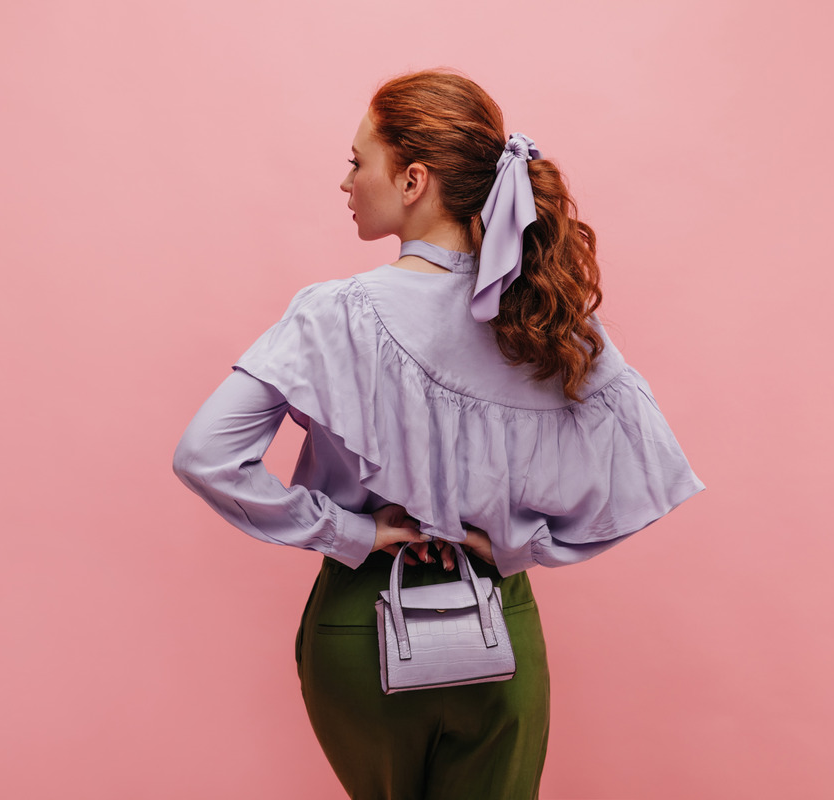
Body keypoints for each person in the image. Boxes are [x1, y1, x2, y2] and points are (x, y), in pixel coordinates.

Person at [173, 70, 703, 799]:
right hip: (498, 621)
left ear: (414, 178)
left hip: (363, 621)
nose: (346, 181)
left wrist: (348, 533)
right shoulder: (548, 318)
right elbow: (648, 472)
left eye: (359, 162)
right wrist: (521, 547)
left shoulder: (334, 313)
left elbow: (206, 455)